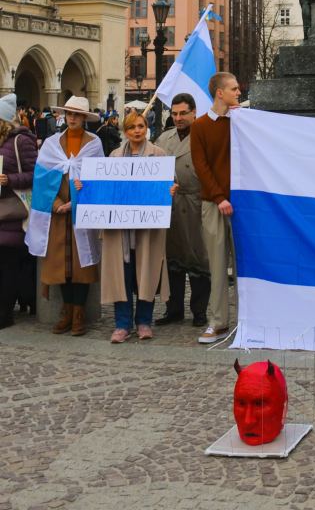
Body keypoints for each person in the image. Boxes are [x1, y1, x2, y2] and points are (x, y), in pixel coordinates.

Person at [25, 95, 104, 336]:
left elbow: (99, 177)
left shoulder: (94, 143)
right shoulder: (51, 144)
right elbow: (42, 178)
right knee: (62, 265)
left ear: (84, 118)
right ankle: (66, 311)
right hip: (57, 214)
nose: (72, 118)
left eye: (77, 114)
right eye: (69, 114)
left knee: (82, 264)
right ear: (64, 116)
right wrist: (59, 203)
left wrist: (78, 201)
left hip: (83, 214)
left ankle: (79, 313)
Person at [99, 110, 171, 343]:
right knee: (122, 276)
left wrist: (171, 190)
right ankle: (122, 324)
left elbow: (168, 186)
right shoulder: (114, 157)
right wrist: (85, 187)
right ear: (125, 131)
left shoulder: (158, 155)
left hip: (146, 230)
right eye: (132, 127)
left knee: (145, 274)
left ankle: (143, 322)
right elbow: (104, 189)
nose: (137, 131)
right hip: (120, 230)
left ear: (146, 128)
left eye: (140, 126)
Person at [190, 71, 240, 343]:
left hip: (243, 204)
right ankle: (218, 322)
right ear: (219, 92)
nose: (238, 92)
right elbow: (201, 167)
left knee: (245, 266)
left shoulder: (242, 122)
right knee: (218, 266)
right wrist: (219, 197)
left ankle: (248, 319)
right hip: (214, 204)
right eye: (233, 89)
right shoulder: (200, 127)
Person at [155, 93, 211, 328]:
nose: (178, 118)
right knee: (172, 260)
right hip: (169, 206)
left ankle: (199, 310)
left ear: (194, 113)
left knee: (199, 259)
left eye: (183, 113)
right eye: (174, 113)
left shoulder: (204, 136)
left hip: (196, 203)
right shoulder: (163, 139)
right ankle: (173, 308)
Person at [0, 94, 37, 327]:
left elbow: (35, 175)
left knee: (7, 266)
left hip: (12, 212)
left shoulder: (20, 141)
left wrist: (9, 179)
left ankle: (5, 314)